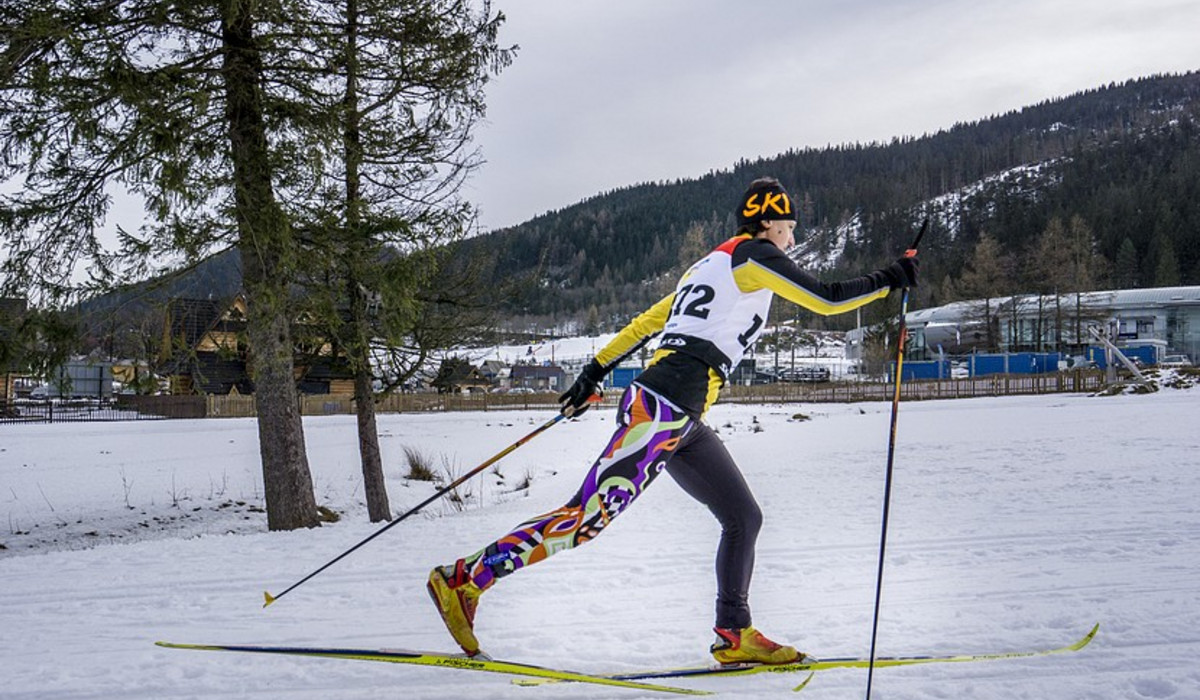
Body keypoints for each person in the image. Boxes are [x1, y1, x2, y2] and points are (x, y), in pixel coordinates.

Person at [428, 177, 918, 664]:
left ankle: (735, 633)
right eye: (789, 227)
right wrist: (889, 278)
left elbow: (646, 324)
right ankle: (465, 579)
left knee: (743, 517)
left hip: (680, 419)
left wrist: (594, 370)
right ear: (767, 223)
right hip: (662, 411)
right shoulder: (754, 255)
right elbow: (827, 298)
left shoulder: (708, 267)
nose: (792, 238)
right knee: (584, 520)